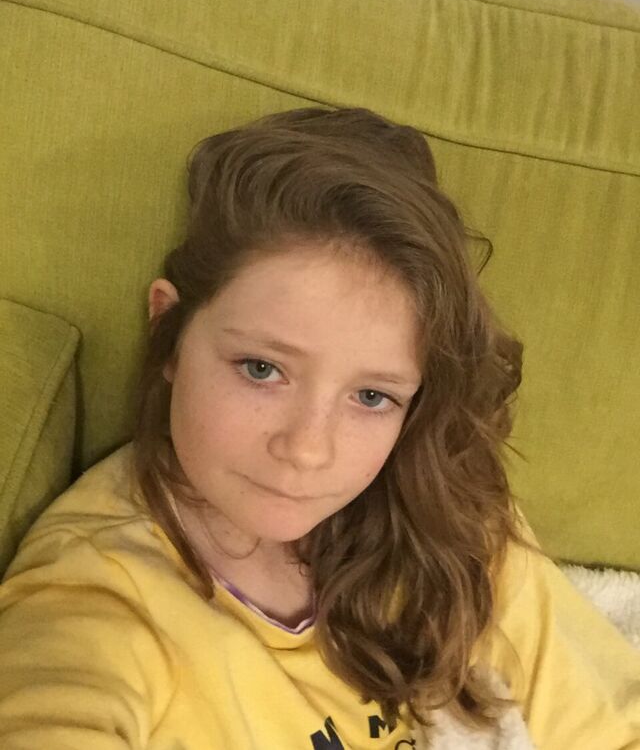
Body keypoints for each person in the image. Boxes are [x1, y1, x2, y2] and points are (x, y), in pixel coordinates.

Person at [0, 106, 638, 749]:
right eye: (262, 369)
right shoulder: (96, 597)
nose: (306, 449)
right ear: (168, 330)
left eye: (371, 396)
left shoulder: (451, 519)